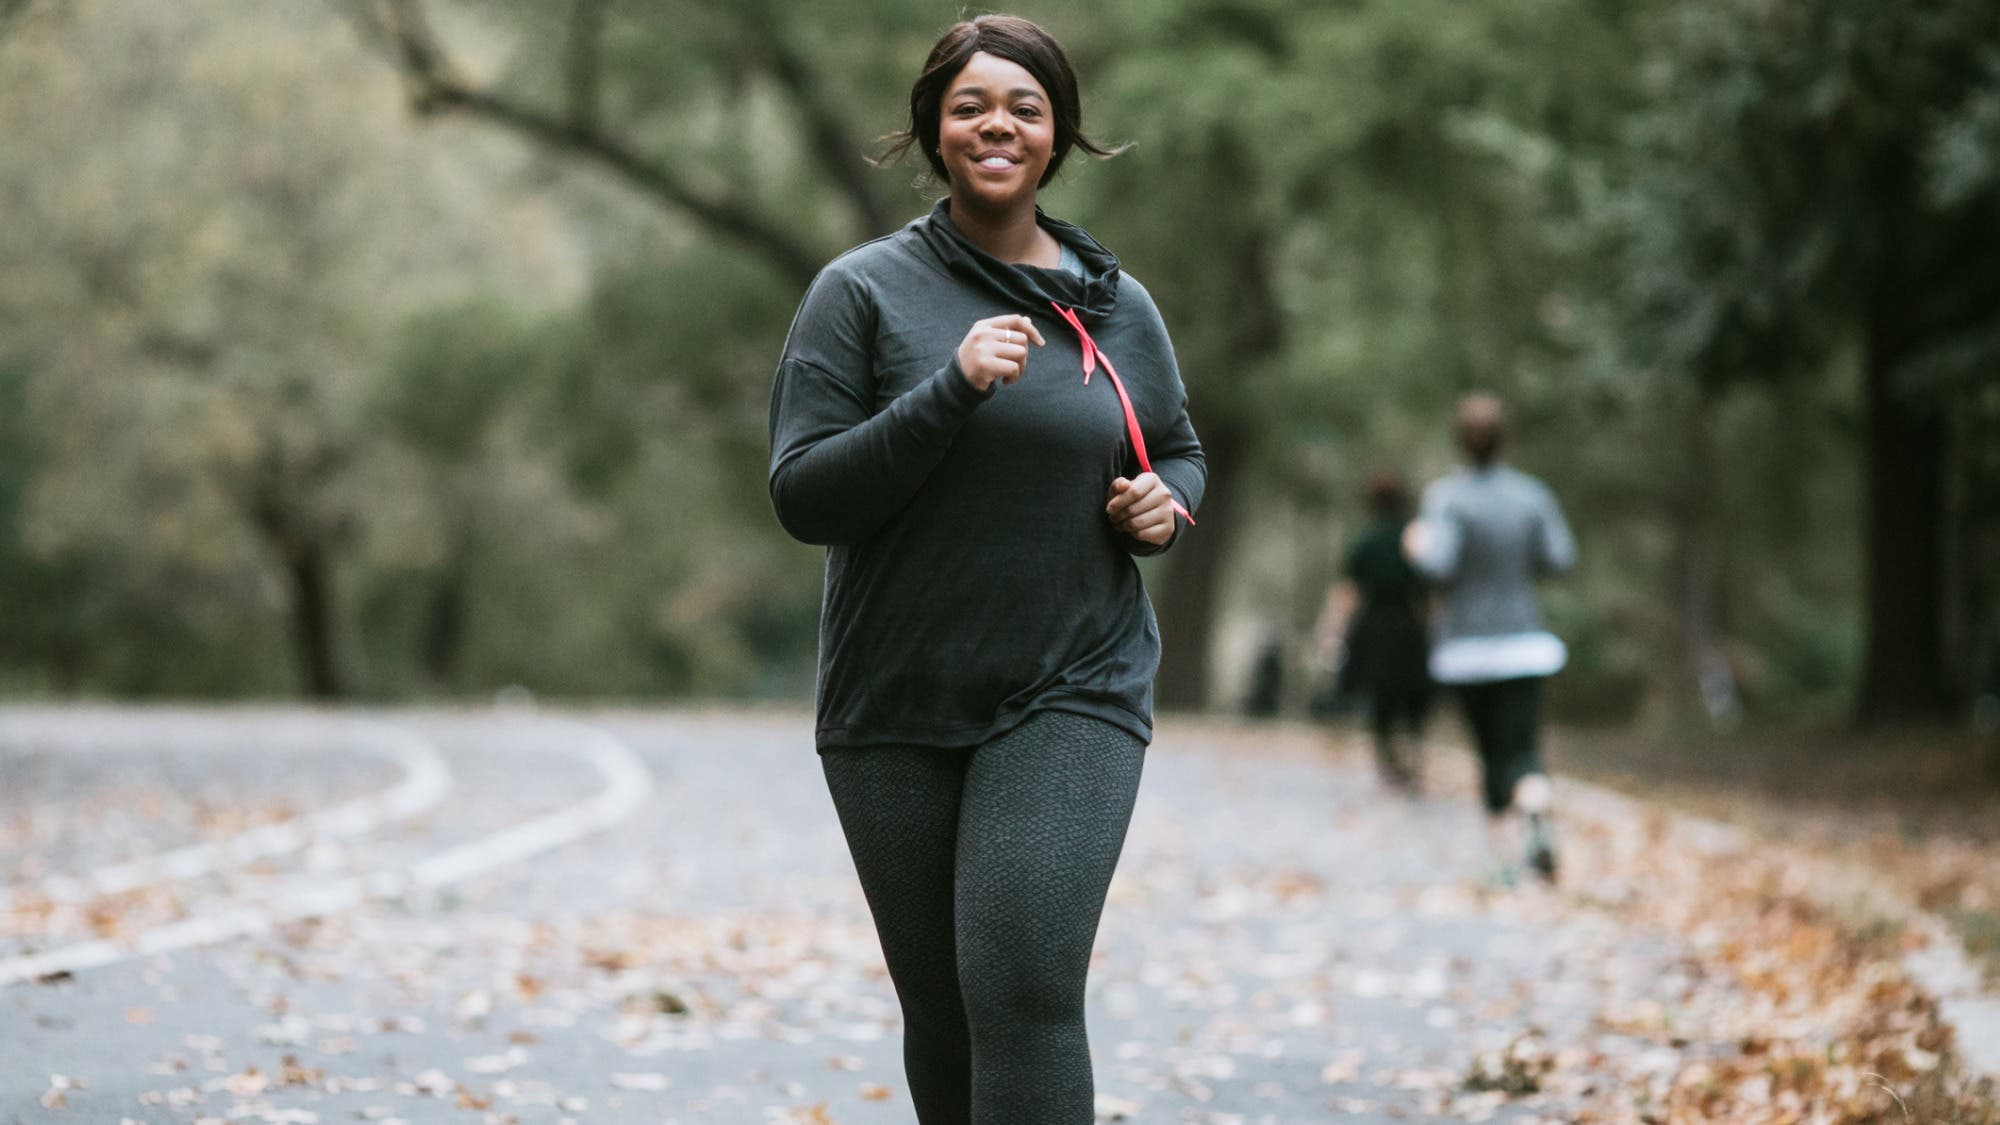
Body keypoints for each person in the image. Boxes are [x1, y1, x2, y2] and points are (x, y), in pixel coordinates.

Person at [766, 15, 1204, 1122]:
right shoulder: (861, 294)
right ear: (932, 130)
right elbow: (805, 495)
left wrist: (1170, 504)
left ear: (1057, 136)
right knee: (946, 1011)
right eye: (969, 106)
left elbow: (1179, 445)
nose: (995, 124)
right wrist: (948, 389)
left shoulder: (1116, 303)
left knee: (1022, 986)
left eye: (1023, 106)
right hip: (895, 695)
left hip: (1072, 681)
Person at [1403, 394, 1575, 883]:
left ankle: (1500, 863)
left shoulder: (1447, 498)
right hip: (1524, 644)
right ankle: (1537, 806)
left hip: (1466, 649)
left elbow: (1440, 565)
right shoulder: (1532, 495)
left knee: (1490, 752)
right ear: (1507, 439)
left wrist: (1416, 546)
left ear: (1460, 440)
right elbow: (1560, 558)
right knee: (1524, 748)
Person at [1319, 471, 1431, 792]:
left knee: (1382, 699)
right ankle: (1412, 753)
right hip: (1408, 626)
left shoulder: (1365, 541)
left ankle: (1387, 765)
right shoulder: (1414, 539)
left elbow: (1348, 591)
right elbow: (1428, 592)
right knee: (1412, 696)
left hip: (1373, 628)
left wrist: (1331, 630)